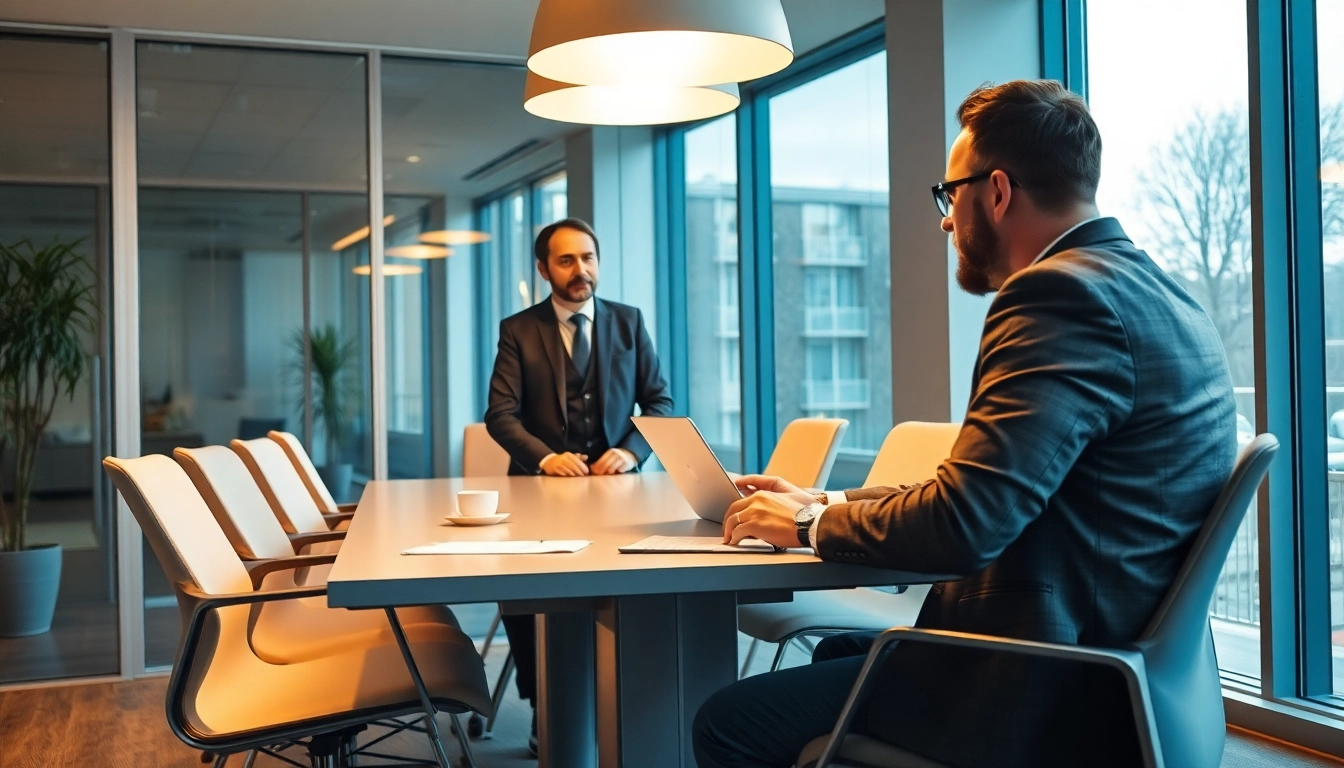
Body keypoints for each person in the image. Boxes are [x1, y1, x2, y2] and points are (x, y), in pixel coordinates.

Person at [693, 80, 1237, 768]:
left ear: (998, 192)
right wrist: (824, 501)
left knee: (727, 722)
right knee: (837, 652)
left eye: (951, 196)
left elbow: (966, 523)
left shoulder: (1055, 295)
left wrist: (806, 528)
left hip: (1044, 683)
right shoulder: (1163, 294)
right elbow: (989, 489)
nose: (947, 221)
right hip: (1116, 663)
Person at [485, 216, 673, 754]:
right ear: (544, 269)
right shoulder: (519, 329)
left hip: (618, 493)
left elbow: (658, 403)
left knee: (622, 587)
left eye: (587, 257)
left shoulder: (629, 322)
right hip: (538, 491)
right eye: (566, 260)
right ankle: (544, 703)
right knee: (527, 590)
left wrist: (631, 452)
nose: (580, 270)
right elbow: (500, 414)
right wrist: (544, 459)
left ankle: (625, 694)